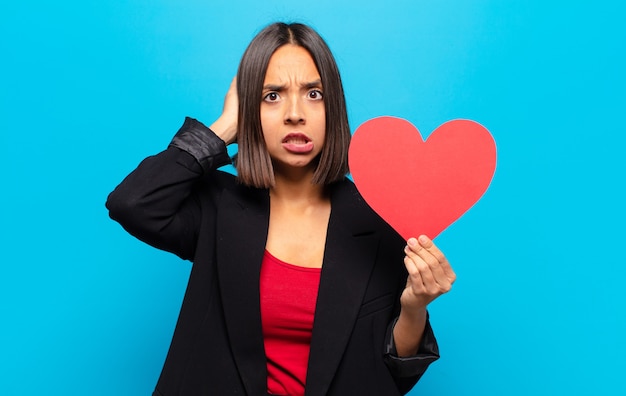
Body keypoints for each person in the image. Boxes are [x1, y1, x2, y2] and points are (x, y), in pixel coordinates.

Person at [106, 22, 455, 396]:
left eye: (314, 94)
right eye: (272, 96)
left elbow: (393, 373)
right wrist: (224, 127)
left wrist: (415, 307)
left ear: (333, 107)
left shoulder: (378, 217)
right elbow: (132, 203)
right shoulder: (218, 206)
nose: (294, 113)